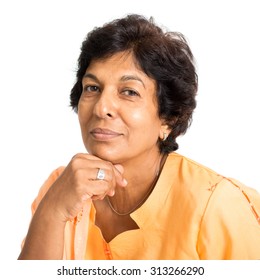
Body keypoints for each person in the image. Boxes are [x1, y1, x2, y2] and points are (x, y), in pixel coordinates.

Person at [18, 14, 260, 260]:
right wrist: (52, 210)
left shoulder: (218, 205)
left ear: (168, 118)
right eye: (92, 88)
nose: (102, 108)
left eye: (129, 92)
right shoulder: (63, 185)